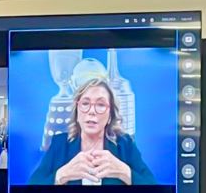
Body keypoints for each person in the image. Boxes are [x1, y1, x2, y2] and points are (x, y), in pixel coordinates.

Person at [27, 78, 156, 185]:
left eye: (100, 105)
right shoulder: (59, 143)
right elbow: (31, 188)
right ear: (77, 112)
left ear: (110, 115)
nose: (91, 111)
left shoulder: (125, 144)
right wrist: (61, 175)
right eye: (85, 103)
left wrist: (124, 172)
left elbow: (155, 191)